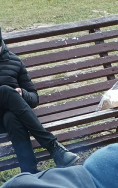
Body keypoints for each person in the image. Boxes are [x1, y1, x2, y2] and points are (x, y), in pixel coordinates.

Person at [0, 27, 78, 173]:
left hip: (9, 119)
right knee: (5, 90)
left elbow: (34, 99)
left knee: (11, 117)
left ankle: (30, 173)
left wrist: (22, 93)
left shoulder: (14, 62)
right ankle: (53, 147)